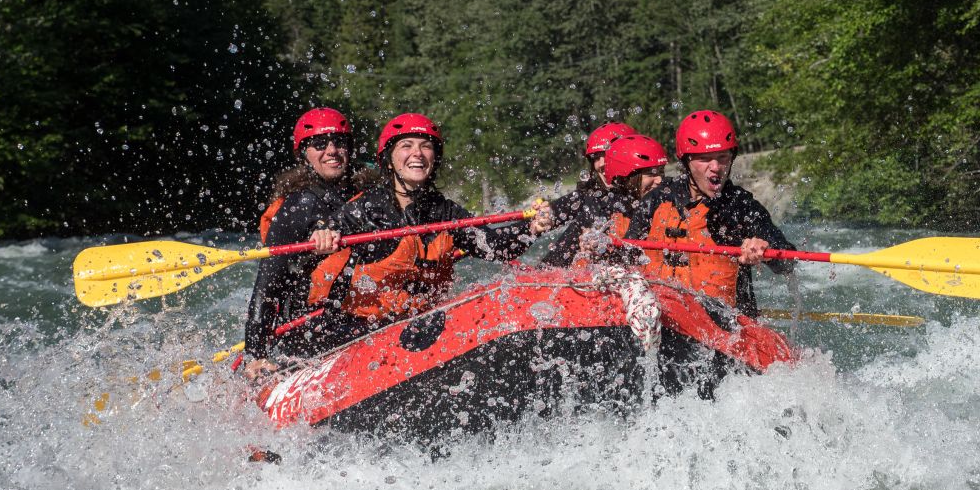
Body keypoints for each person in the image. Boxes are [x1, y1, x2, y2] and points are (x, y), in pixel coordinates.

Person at [305, 113, 554, 347]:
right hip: (360, 327)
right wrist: (323, 233)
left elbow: (495, 247)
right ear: (389, 160)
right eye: (407, 146)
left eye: (426, 146)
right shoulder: (366, 208)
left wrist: (532, 227)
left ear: (434, 159)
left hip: (419, 323)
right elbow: (330, 227)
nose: (418, 153)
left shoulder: (445, 211)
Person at [622, 110, 794, 317]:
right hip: (665, 314)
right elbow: (626, 256)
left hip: (726, 322)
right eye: (705, 159)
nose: (716, 168)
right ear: (686, 161)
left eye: (722, 158)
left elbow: (788, 262)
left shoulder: (741, 206)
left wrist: (766, 250)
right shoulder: (659, 199)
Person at [242, 107, 369, 378]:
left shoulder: (370, 198)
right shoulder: (298, 206)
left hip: (361, 319)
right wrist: (255, 355)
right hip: (309, 333)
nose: (332, 150)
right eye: (320, 144)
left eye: (339, 142)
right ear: (304, 154)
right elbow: (267, 286)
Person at [545, 132, 667, 267]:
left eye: (661, 172)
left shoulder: (671, 199)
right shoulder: (600, 211)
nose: (660, 180)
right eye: (651, 173)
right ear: (628, 177)